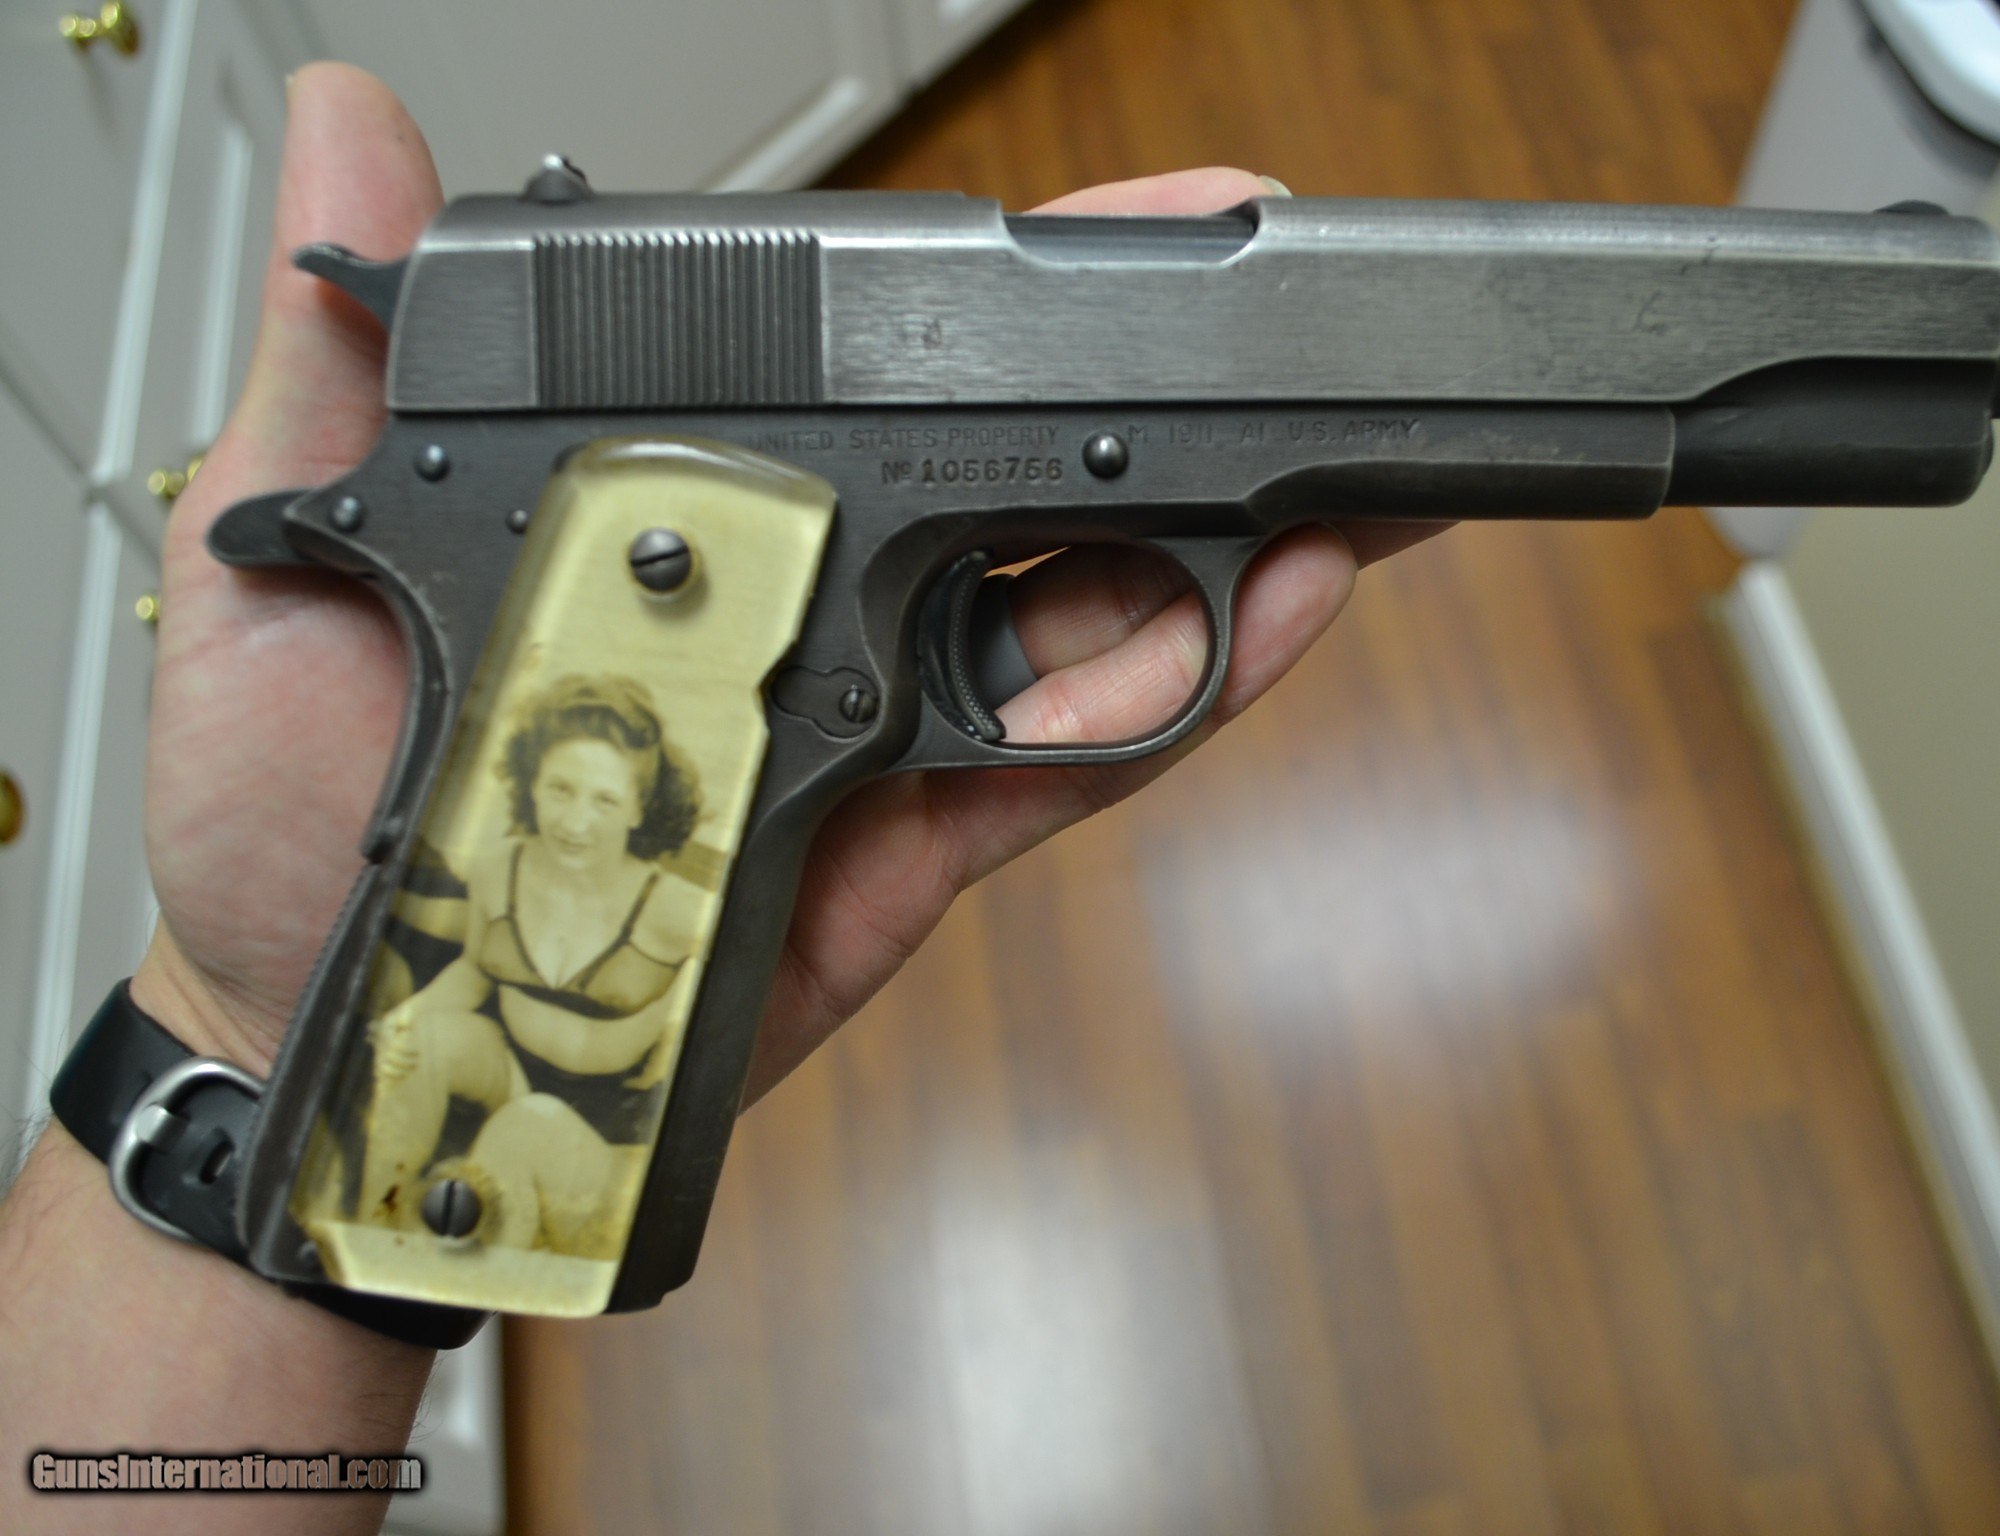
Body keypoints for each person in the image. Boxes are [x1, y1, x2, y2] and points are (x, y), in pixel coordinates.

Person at [0, 64, 1397, 1536]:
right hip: (670, 472)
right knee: (472, 1168)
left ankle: (420, 1208)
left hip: (669, 449)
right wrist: (245, 1042)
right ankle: (435, 1205)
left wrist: (234, 1052)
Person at [359, 674, 709, 1254]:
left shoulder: (675, 911)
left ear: (638, 809)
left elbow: (719, 1024)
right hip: (515, 1078)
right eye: (560, 790)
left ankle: (458, 1269)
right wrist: (403, 1023)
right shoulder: (499, 869)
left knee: (527, 1128)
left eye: (604, 800)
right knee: (421, 1041)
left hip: (613, 1132)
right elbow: (474, 972)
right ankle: (375, 1227)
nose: (574, 822)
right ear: (533, 786)